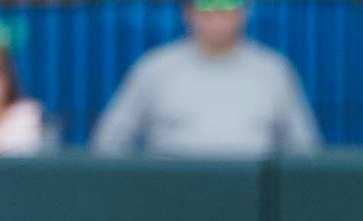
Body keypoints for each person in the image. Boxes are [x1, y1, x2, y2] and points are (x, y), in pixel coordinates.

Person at [90, 0, 320, 156]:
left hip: (254, 201)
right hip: (169, 198)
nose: (216, 19)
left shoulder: (273, 70)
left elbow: (304, 147)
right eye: (206, 9)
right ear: (187, 13)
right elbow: (110, 141)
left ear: (243, 12)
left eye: (225, 8)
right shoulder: (155, 68)